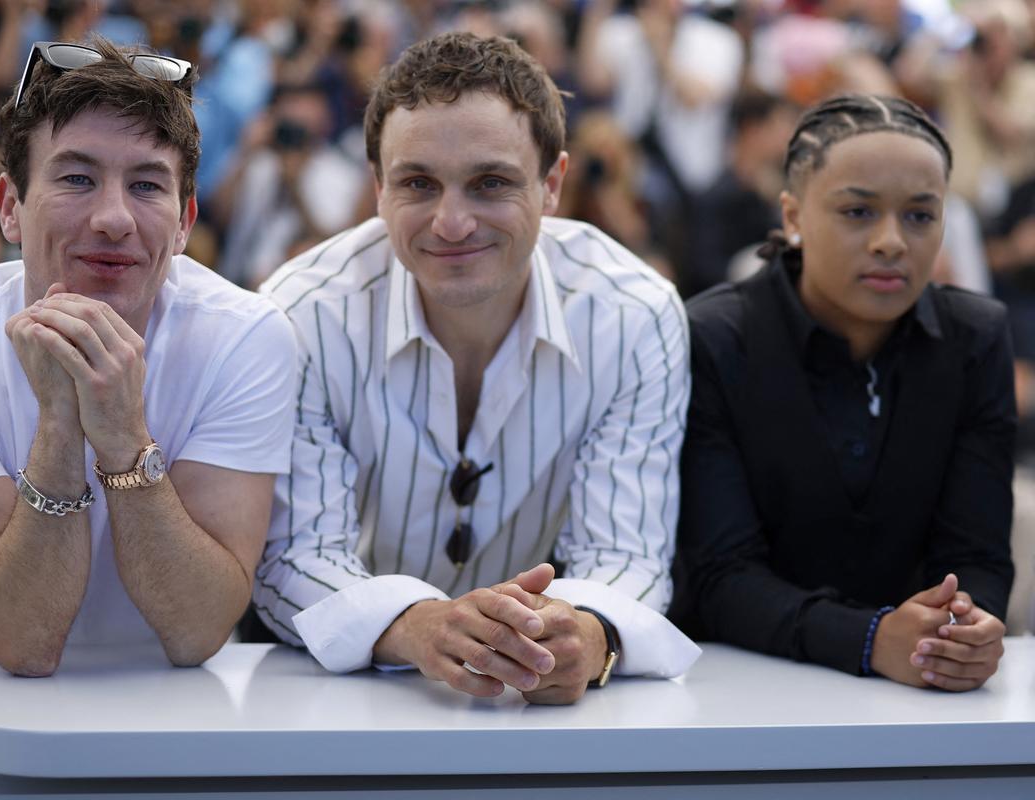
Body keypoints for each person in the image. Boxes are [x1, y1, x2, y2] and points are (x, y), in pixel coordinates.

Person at [0, 38, 297, 730]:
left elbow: (200, 628)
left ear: (184, 223)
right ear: (10, 206)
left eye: (148, 185)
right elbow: (21, 643)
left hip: (177, 696)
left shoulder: (247, 338)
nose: (114, 218)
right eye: (76, 179)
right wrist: (61, 424)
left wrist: (123, 437)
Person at [257, 32, 700, 706]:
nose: (452, 221)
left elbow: (628, 558)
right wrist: (417, 626)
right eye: (418, 183)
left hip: (543, 716)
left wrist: (582, 632)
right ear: (378, 188)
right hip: (347, 709)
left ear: (552, 184)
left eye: (490, 182)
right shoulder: (301, 312)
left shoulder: (635, 313)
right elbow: (293, 559)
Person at [673, 94, 1014, 691]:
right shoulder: (713, 338)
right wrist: (871, 639)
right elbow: (719, 575)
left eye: (920, 215)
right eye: (858, 212)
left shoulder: (976, 339)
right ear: (793, 217)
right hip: (734, 689)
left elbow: (977, 554)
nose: (891, 241)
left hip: (921, 697)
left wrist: (966, 625)